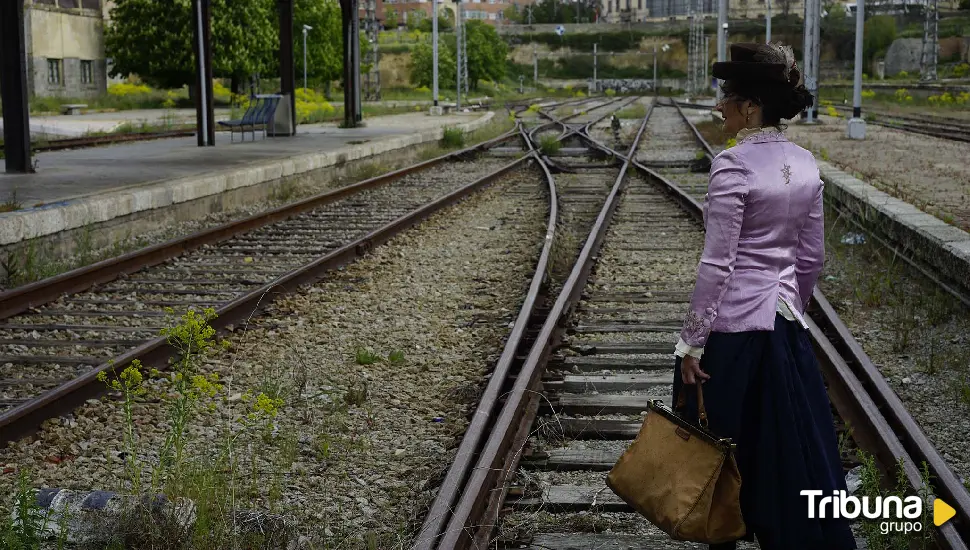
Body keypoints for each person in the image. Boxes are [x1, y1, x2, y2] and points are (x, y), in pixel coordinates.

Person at [670, 42, 857, 550]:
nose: (719, 106)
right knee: (788, 446)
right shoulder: (806, 163)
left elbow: (717, 262)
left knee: (719, 443)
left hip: (734, 330)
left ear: (750, 105)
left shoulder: (733, 165)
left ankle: (725, 532)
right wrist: (792, 307)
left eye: (726, 96)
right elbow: (811, 259)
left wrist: (692, 342)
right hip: (784, 326)